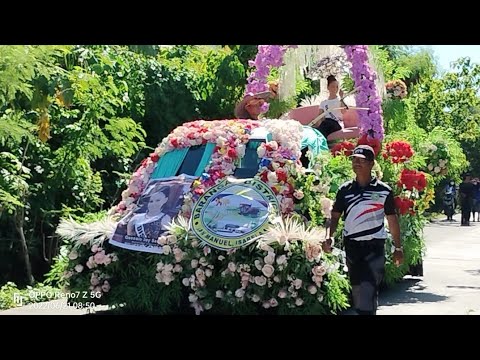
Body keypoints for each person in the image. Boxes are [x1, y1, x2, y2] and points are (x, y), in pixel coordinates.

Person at [324, 145, 403, 315]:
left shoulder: (383, 191)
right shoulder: (345, 190)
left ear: (371, 163)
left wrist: (398, 248)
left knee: (368, 286)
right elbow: (335, 216)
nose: (356, 163)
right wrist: (329, 236)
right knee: (358, 288)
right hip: (352, 246)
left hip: (374, 246)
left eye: (361, 160)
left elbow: (392, 219)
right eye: (354, 159)